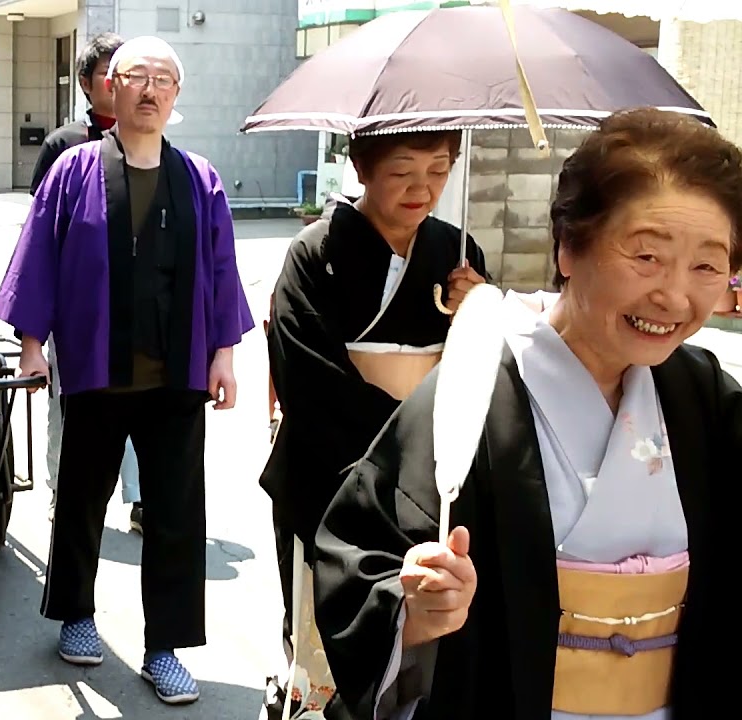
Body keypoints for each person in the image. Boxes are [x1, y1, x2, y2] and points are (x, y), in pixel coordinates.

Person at [311, 107, 739, 719]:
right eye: (646, 256)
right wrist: (412, 608)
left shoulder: (701, 396)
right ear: (568, 246)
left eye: (706, 265)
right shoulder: (475, 387)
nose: (673, 294)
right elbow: (358, 556)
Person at [0, 35, 252, 705]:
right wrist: (31, 343)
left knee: (174, 515)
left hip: (176, 376)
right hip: (96, 370)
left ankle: (163, 647)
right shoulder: (75, 170)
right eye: (134, 76)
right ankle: (77, 616)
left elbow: (221, 272)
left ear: (176, 95)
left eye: (162, 79)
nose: (148, 89)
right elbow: (40, 257)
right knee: (81, 501)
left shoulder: (200, 178)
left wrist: (223, 354)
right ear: (111, 87)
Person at [258, 129, 488, 717]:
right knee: (325, 638)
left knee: (425, 642)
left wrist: (480, 311)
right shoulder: (314, 253)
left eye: (439, 169)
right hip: (331, 473)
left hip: (431, 482)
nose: (423, 187)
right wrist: (404, 451)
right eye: (403, 170)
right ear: (360, 167)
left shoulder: (460, 254)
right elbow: (308, 382)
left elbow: (479, 372)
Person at [28, 32, 145, 530]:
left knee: (142, 402)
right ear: (87, 83)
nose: (122, 82)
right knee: (69, 402)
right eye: (108, 72)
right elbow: (40, 232)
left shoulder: (151, 143)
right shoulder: (64, 145)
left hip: (136, 306)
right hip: (76, 305)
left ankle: (141, 500)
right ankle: (64, 488)